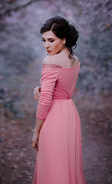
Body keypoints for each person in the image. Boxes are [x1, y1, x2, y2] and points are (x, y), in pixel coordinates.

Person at [32, 16, 86, 184]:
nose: (46, 45)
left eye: (51, 40)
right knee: (66, 165)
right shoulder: (74, 59)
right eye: (43, 40)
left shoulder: (51, 61)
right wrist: (40, 87)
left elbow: (46, 100)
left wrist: (36, 130)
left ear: (63, 39)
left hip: (54, 117)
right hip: (70, 114)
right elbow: (62, 88)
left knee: (53, 169)